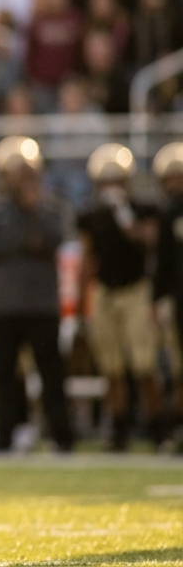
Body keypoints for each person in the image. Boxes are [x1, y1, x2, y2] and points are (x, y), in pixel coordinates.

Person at [0, 136, 74, 453]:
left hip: (42, 305)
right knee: (4, 375)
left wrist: (33, 213)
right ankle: (5, 435)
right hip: (4, 305)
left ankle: (62, 437)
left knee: (50, 374)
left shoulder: (50, 207)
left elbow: (58, 238)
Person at [78, 143, 162, 450]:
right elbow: (88, 259)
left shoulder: (143, 209)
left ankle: (157, 426)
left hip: (136, 289)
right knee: (110, 367)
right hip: (104, 290)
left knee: (144, 364)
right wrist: (78, 303)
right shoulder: (91, 214)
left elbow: (150, 242)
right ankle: (119, 426)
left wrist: (125, 217)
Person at [151, 142, 183, 450]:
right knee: (176, 366)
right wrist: (159, 297)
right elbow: (162, 259)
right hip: (178, 296)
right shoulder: (168, 211)